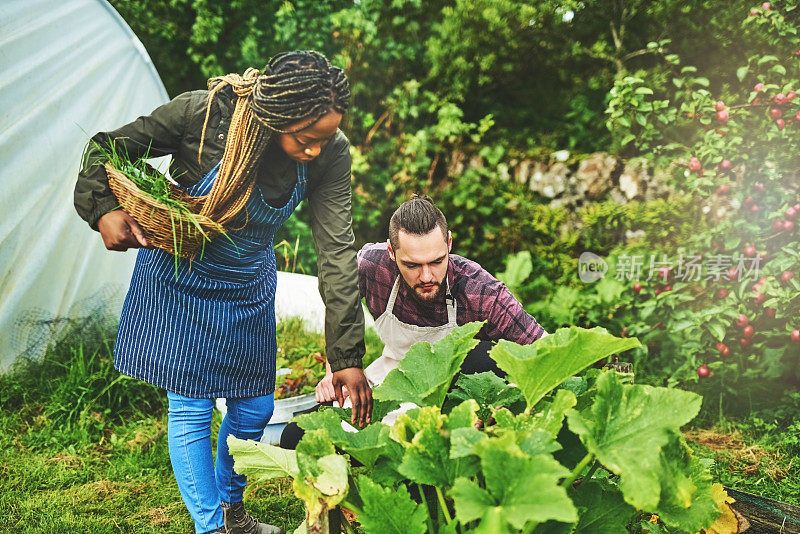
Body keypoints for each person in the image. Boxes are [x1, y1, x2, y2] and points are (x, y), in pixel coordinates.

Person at [74, 51, 372, 534]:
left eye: (323, 138)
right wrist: (102, 209)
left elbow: (337, 254)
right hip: (181, 278)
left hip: (247, 284)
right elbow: (104, 148)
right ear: (275, 116)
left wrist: (346, 356)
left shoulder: (330, 154)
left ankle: (234, 513)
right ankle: (212, 528)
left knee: (253, 407)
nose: (315, 150)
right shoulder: (205, 115)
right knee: (191, 407)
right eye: (305, 138)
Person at [280, 194, 547, 448]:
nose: (427, 276)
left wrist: (506, 405)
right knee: (295, 436)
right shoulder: (372, 266)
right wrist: (337, 367)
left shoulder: (481, 291)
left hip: (451, 392)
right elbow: (339, 303)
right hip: (395, 376)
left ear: (449, 244)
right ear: (391, 252)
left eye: (437, 261)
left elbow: (547, 351)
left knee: (481, 357)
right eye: (412, 265)